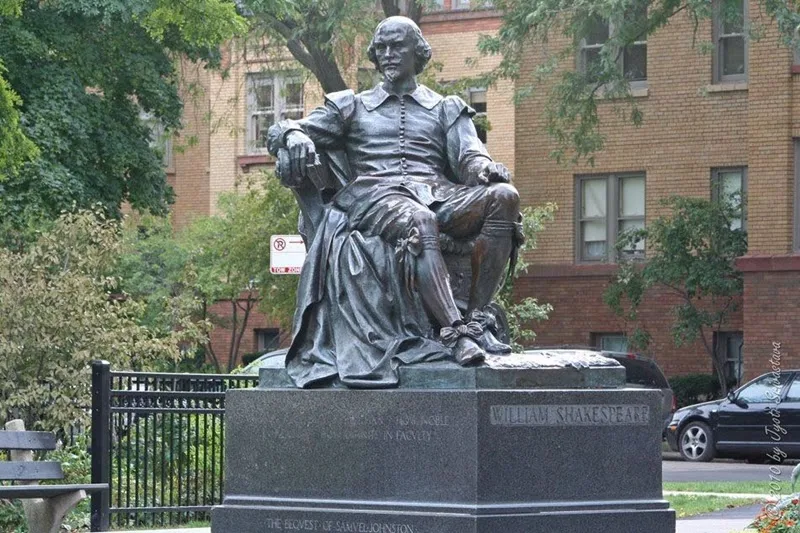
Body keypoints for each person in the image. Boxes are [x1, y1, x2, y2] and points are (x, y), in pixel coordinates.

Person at [268, 16, 522, 388]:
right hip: (373, 196)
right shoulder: (351, 106)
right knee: (420, 220)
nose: (387, 55)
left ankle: (477, 318)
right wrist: (293, 135)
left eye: (396, 47)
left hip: (438, 193)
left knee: (504, 197)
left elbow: (470, 156)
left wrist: (485, 169)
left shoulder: (445, 107)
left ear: (417, 53)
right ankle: (455, 333)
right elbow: (284, 129)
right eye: (381, 48)